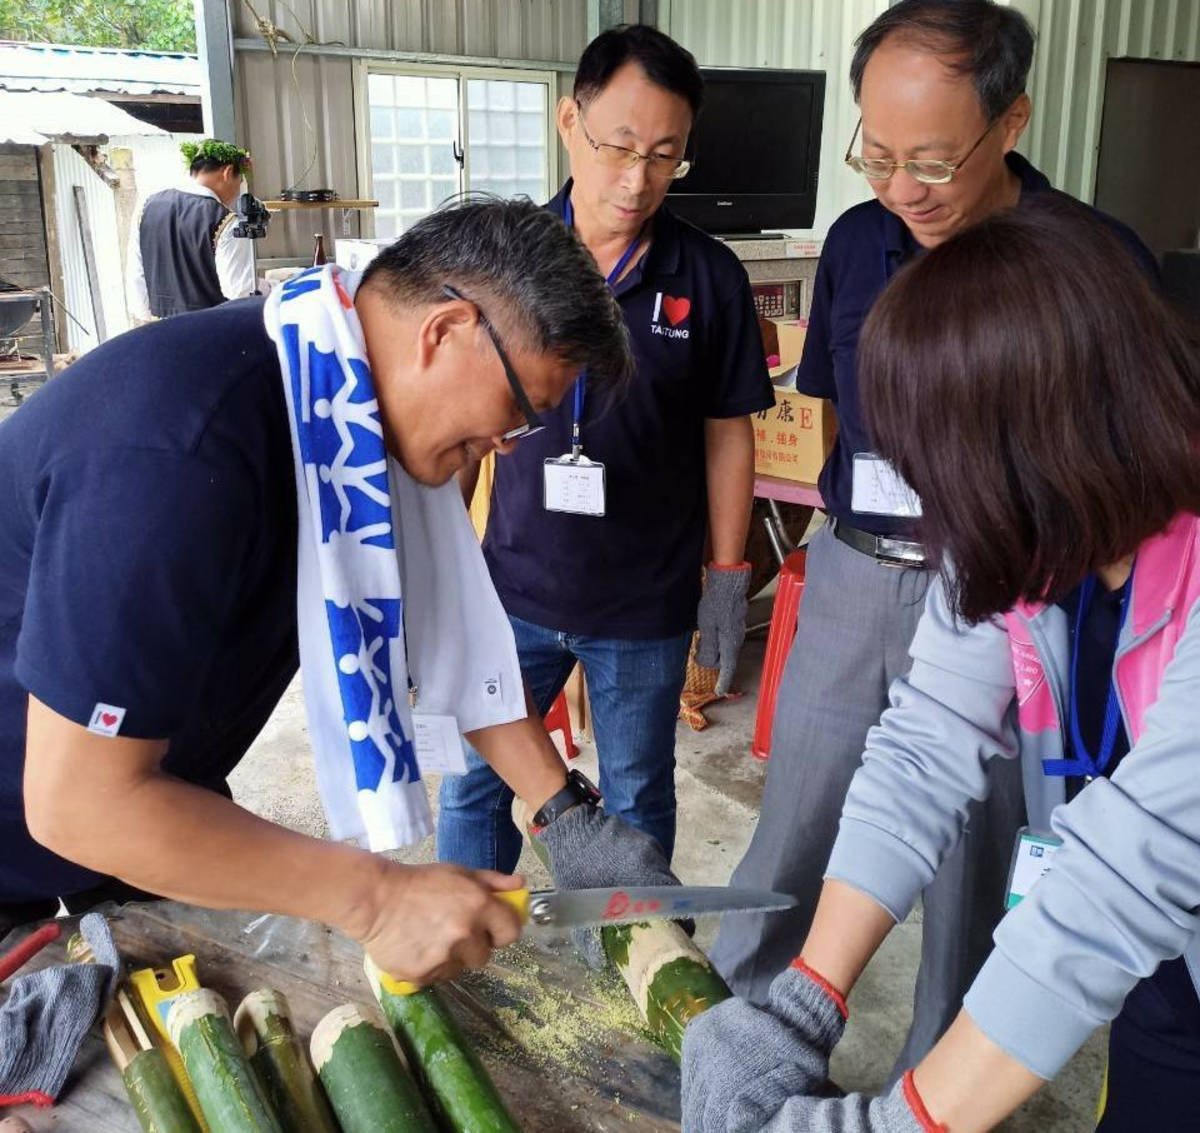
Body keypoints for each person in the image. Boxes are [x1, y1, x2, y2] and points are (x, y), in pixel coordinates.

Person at [0, 198, 677, 987]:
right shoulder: (177, 453)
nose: (507, 444)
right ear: (446, 330)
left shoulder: (346, 402)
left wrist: (567, 820)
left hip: (143, 816)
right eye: (523, 411)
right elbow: (78, 802)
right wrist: (376, 899)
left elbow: (452, 635)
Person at [683, 197, 1200, 1132]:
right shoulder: (1030, 527)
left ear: (1051, 438)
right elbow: (927, 739)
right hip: (1162, 981)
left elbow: (1135, 870)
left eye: (949, 466)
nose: (936, 504)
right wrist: (809, 995)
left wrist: (897, 1122)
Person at [710, 0, 1158, 1073]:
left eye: (933, 162)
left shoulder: (1090, 268)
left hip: (1011, 582)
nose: (900, 187)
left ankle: (947, 1061)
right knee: (815, 806)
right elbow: (823, 403)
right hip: (867, 567)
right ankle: (751, 1021)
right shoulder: (861, 241)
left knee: (981, 852)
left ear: (1011, 124)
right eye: (876, 154)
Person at [437, 25, 774, 876]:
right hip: (509, 588)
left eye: (666, 155)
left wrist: (728, 579)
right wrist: (439, 556)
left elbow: (727, 429)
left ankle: (630, 970)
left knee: (636, 791)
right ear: (568, 122)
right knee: (477, 784)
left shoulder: (709, 277)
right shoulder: (503, 260)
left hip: (644, 607)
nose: (637, 178)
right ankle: (472, 958)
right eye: (619, 145)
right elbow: (460, 416)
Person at [125, 138, 256, 322]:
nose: (238, 190)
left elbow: (136, 277)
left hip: (161, 330)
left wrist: (149, 319)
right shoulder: (226, 221)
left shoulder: (148, 205)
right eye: (240, 180)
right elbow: (240, 291)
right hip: (208, 332)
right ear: (227, 172)